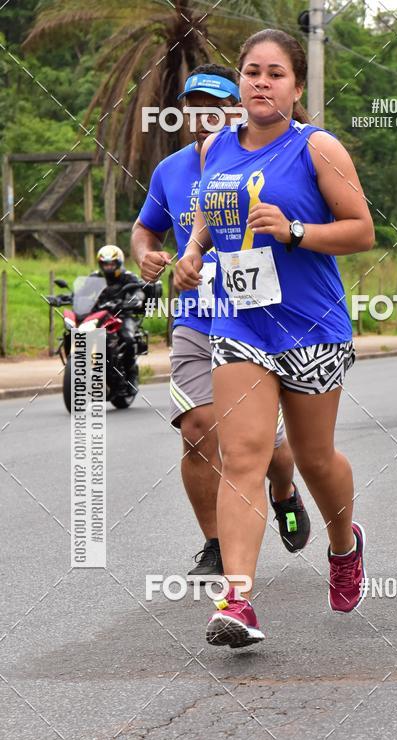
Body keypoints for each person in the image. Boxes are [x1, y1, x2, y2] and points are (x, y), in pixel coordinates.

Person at [174, 29, 375, 648]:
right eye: (252, 71)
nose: (261, 82)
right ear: (240, 82)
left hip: (311, 325)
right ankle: (237, 602)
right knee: (245, 456)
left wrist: (293, 231)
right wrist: (192, 253)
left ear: (295, 86)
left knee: (314, 459)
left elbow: (361, 230)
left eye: (276, 73)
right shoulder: (215, 148)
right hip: (239, 323)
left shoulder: (318, 147)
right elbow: (212, 210)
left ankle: (345, 544)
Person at [131, 64, 310, 581]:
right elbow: (147, 230)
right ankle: (215, 543)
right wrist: (147, 254)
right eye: (195, 107)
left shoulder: (272, 159)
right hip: (195, 314)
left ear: (238, 107)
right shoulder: (171, 170)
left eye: (217, 105)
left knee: (264, 445)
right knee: (197, 429)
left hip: (258, 315)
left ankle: (284, 491)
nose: (205, 116)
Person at [94, 244, 146, 392]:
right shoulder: (95, 277)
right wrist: (66, 298)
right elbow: (83, 292)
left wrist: (134, 300)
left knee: (128, 339)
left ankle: (130, 374)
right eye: (105, 264)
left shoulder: (128, 277)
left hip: (122, 316)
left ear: (118, 263)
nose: (108, 267)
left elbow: (138, 291)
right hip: (100, 316)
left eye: (111, 263)